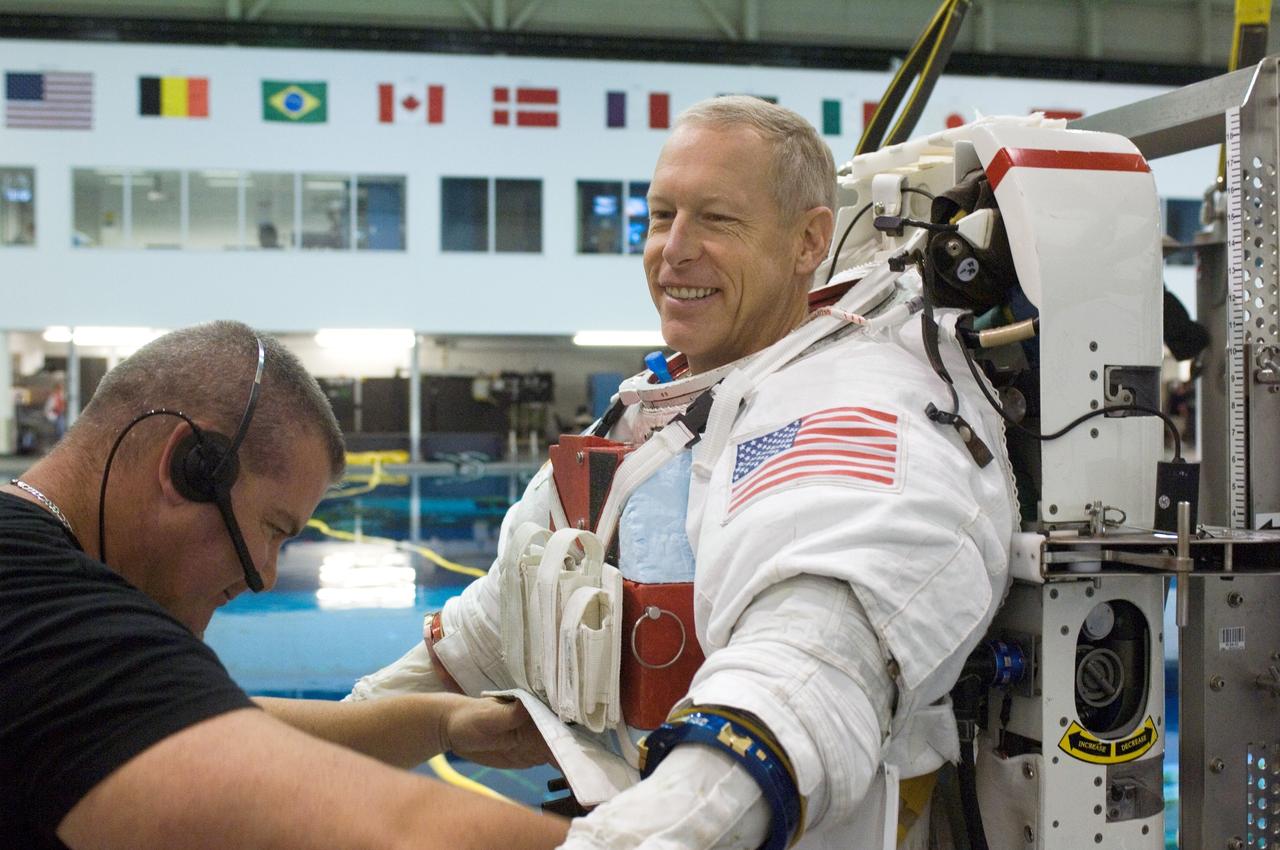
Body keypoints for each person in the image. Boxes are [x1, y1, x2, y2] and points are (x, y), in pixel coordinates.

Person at [351, 97, 1018, 848]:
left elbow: (801, 683)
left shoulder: (864, 418)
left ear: (809, 242)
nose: (674, 249)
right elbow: (500, 619)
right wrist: (307, 752)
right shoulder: (658, 416)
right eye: (662, 215)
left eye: (717, 220)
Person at [0, 321, 567, 850]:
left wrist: (441, 724)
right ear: (188, 468)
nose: (265, 576)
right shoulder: (36, 598)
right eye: (273, 529)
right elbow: (395, 832)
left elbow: (186, 722)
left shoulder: (36, 588)